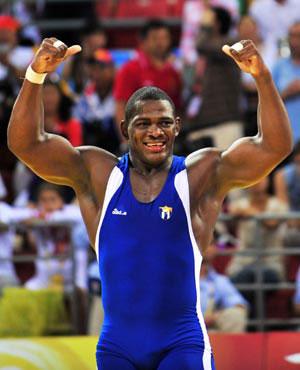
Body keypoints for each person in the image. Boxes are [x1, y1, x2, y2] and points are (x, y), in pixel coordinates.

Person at [7, 37, 292, 369]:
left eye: (164, 123)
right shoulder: (98, 175)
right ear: (126, 129)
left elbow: (274, 147)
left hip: (181, 343)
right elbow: (26, 144)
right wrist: (35, 76)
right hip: (117, 347)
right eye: (144, 123)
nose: (155, 131)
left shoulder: (201, 175)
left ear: (177, 128)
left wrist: (262, 78)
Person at [200, 245, 248, 333]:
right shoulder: (174, 278)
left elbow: (239, 305)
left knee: (235, 314)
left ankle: (229, 346)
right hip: (180, 330)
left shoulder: (219, 281)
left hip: (207, 331)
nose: (204, 247)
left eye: (210, 243)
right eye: (198, 240)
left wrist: (214, 317)